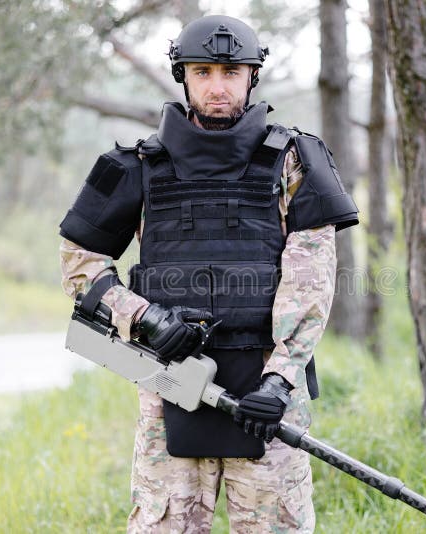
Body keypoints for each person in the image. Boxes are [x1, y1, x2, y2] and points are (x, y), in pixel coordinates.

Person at [59, 15, 358, 533]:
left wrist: (281, 380)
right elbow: (79, 260)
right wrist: (144, 319)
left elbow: (312, 283)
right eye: (202, 72)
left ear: (252, 77)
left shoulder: (295, 162)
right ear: (184, 77)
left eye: (231, 72)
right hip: (168, 383)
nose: (217, 87)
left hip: (267, 393)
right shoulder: (137, 166)